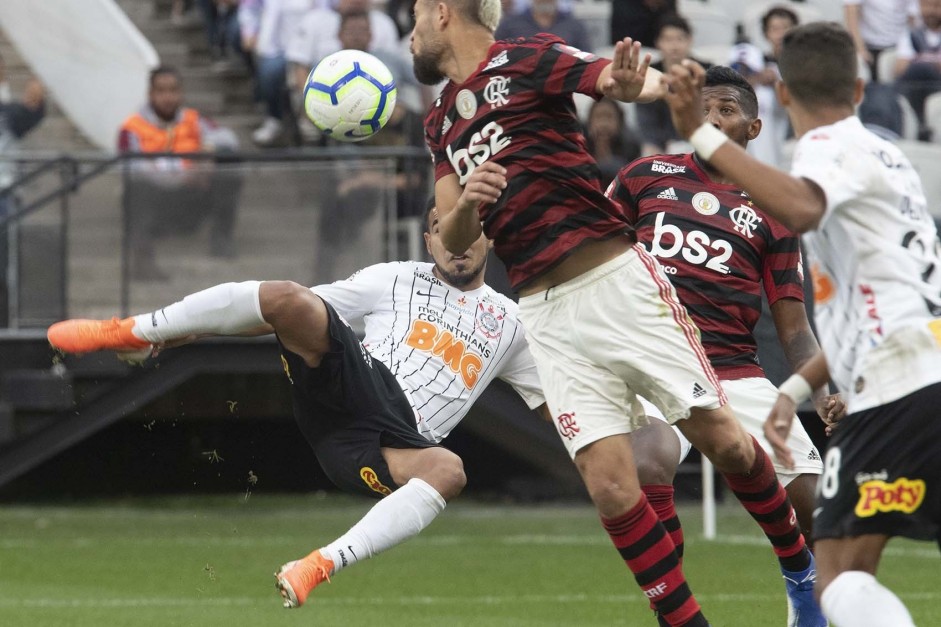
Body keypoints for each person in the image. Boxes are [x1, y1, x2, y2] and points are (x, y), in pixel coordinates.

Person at [410, 2, 817, 625]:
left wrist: (639, 82)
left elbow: (615, 79)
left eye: (414, 15)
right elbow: (456, 233)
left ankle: (801, 576)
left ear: (442, 13)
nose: (410, 32)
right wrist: (468, 202)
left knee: (726, 443)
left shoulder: (525, 58)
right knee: (609, 486)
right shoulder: (440, 120)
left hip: (614, 283)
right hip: (542, 313)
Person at [45, 198, 546, 609]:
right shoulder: (394, 277)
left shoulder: (513, 323)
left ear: (490, 234)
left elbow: (563, 410)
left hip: (376, 448)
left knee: (449, 471)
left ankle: (319, 564)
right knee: (290, 297)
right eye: (442, 229)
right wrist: (174, 339)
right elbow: (282, 313)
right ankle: (136, 329)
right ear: (427, 239)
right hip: (357, 382)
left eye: (469, 228)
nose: (456, 243)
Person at [661, 20, 941, 627]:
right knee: (842, 560)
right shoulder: (889, 155)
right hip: (917, 365)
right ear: (862, 88)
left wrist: (700, 138)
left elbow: (802, 206)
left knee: (838, 576)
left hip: (898, 388)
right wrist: (793, 391)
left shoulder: (821, 151)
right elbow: (878, 309)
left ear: (781, 97)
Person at [607, 65, 843, 625]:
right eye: (704, 108)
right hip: (656, 364)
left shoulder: (774, 208)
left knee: (815, 509)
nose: (711, 119)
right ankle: (677, 614)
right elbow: (596, 256)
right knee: (648, 463)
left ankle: (803, 596)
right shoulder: (644, 175)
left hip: (734, 372)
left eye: (727, 111)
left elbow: (792, 324)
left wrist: (824, 391)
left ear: (753, 128)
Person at [118, 66, 242, 280]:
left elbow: (229, 139)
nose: (168, 97)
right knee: (134, 187)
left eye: (173, 90)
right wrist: (182, 176)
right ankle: (143, 262)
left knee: (229, 159)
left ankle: (221, 241)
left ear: (181, 92)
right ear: (150, 94)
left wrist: (208, 150)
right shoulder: (132, 128)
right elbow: (131, 169)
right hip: (155, 201)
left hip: (191, 196)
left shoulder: (193, 119)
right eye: (161, 90)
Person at [0, 53, 46, 326]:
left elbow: (21, 118)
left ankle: (9, 322)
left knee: (8, 268)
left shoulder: (8, 111)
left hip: (5, 194)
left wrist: (36, 106)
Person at [635, 14, 712, 156]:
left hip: (701, 140)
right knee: (648, 152)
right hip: (661, 145)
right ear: (657, 42)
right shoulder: (648, 74)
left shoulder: (707, 72)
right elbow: (647, 123)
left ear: (690, 41)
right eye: (668, 39)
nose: (674, 46)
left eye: (680, 39)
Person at [894, 0, 941, 141]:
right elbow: (900, 69)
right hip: (912, 89)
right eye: (926, 6)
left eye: (937, 6)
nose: (931, 11)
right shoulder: (910, 34)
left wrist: (920, 58)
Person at [844, 0, 920, 82]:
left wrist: (907, 50)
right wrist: (861, 50)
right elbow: (851, 13)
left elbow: (912, 19)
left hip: (899, 48)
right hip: (870, 47)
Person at [494, 0, 592, 53]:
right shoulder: (510, 24)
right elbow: (495, 53)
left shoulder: (574, 25)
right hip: (519, 83)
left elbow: (587, 57)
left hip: (565, 83)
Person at [584, 98, 641, 184]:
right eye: (598, 117)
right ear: (589, 122)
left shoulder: (631, 146)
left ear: (619, 122)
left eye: (609, 117)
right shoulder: (581, 146)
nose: (604, 124)